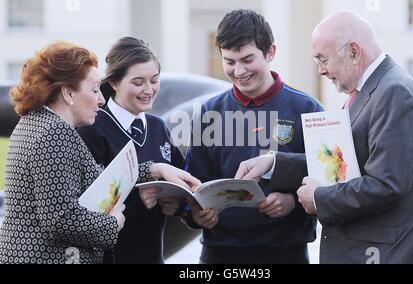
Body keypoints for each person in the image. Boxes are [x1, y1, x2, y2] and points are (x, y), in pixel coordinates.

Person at [236, 10, 413, 264]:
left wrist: (318, 198)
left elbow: (387, 185)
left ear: (354, 51)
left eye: (323, 60)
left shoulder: (394, 92)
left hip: (390, 253)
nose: (321, 71)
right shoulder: (371, 90)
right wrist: (273, 163)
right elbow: (341, 164)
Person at [184, 9, 323, 264]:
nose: (238, 71)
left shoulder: (307, 109)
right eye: (229, 61)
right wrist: (195, 214)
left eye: (247, 59)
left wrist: (293, 202)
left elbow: (327, 178)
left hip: (286, 254)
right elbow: (193, 181)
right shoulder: (208, 112)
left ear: (270, 52)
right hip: (218, 255)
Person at [77, 37, 200, 264]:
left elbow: (183, 184)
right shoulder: (92, 128)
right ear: (114, 82)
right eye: (138, 82)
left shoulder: (157, 127)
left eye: (154, 80)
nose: (148, 90)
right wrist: (138, 200)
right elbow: (85, 208)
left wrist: (178, 206)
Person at [0, 41, 124, 264]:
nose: (101, 99)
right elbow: (61, 220)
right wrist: (112, 224)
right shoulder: (54, 132)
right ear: (67, 93)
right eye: (95, 89)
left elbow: (95, 179)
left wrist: (150, 170)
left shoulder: (34, 122)